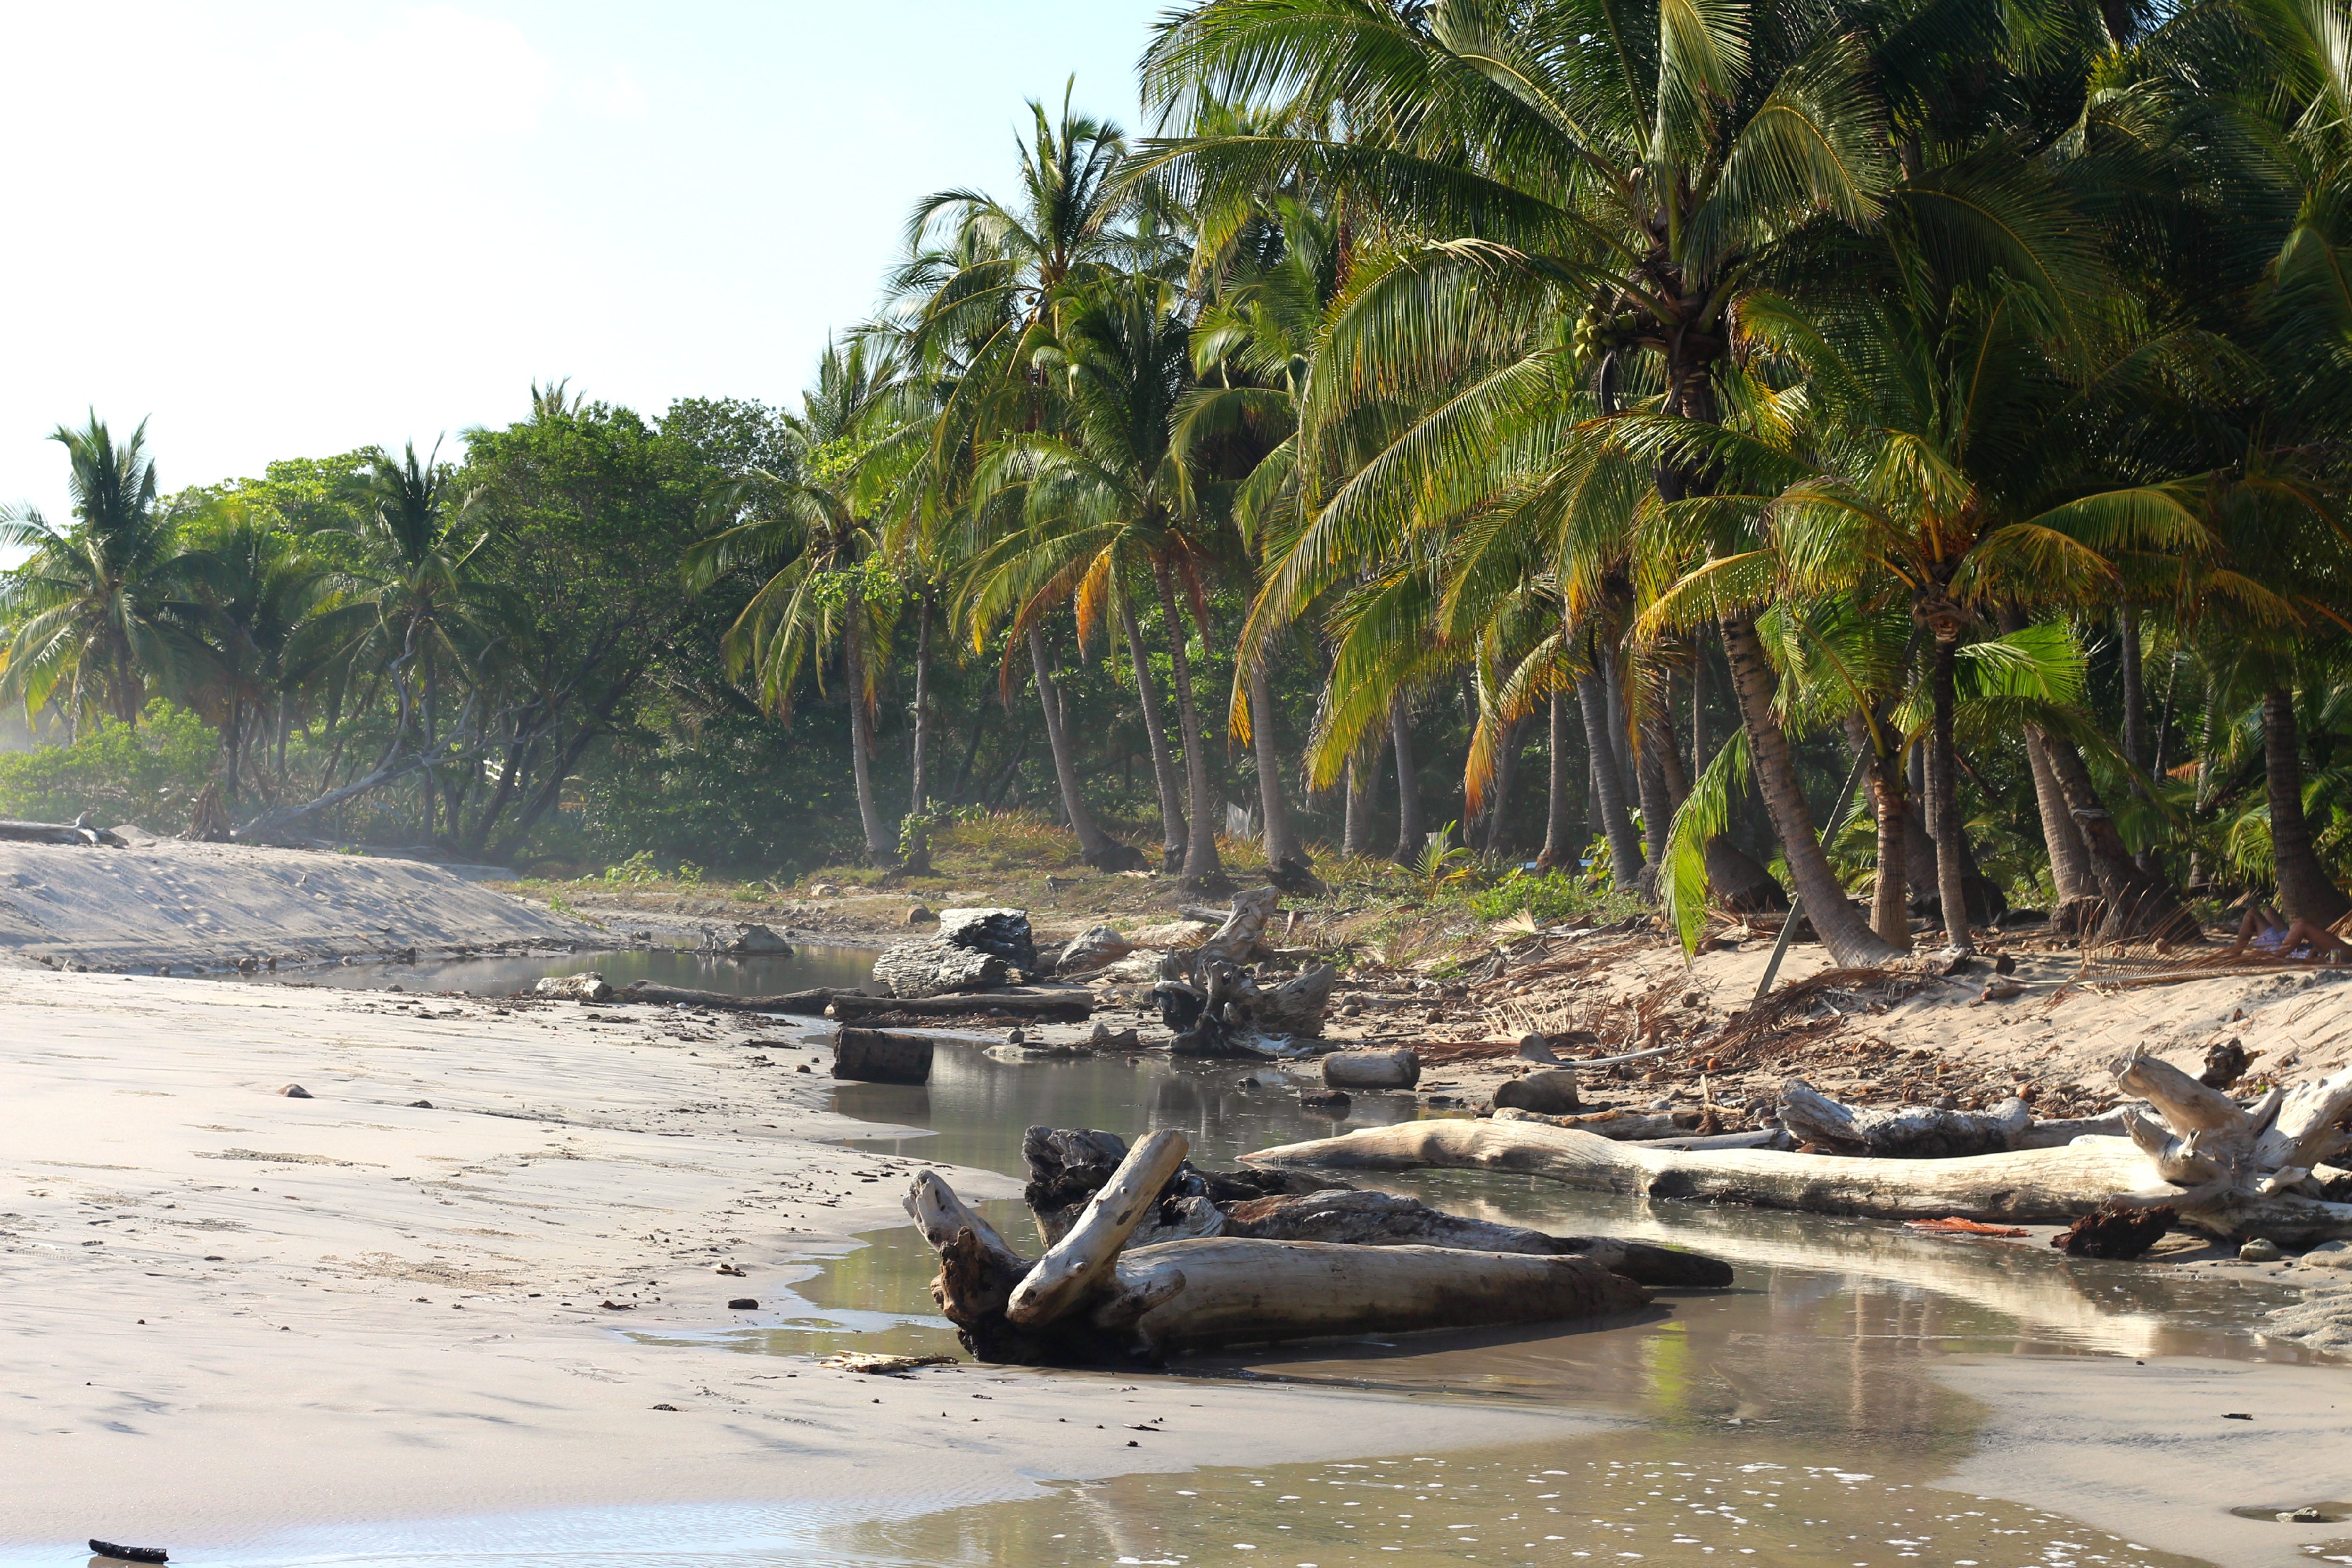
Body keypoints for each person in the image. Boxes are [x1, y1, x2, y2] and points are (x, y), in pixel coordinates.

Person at [2227, 901, 2352, 962]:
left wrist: (2275, 958)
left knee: (2251, 915)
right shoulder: (2345, 952)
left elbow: (2301, 926)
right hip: (2296, 949)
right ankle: (2233, 957)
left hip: (2283, 954)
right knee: (2269, 912)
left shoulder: (2346, 955)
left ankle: (2233, 958)